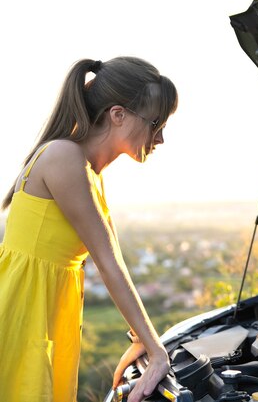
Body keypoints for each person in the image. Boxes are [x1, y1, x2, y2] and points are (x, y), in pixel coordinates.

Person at [0, 57, 178, 402]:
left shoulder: (89, 171)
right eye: (156, 122)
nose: (161, 138)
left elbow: (115, 261)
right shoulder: (63, 157)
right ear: (118, 114)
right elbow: (107, 262)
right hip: (19, 315)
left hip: (42, 318)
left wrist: (142, 338)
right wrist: (157, 353)